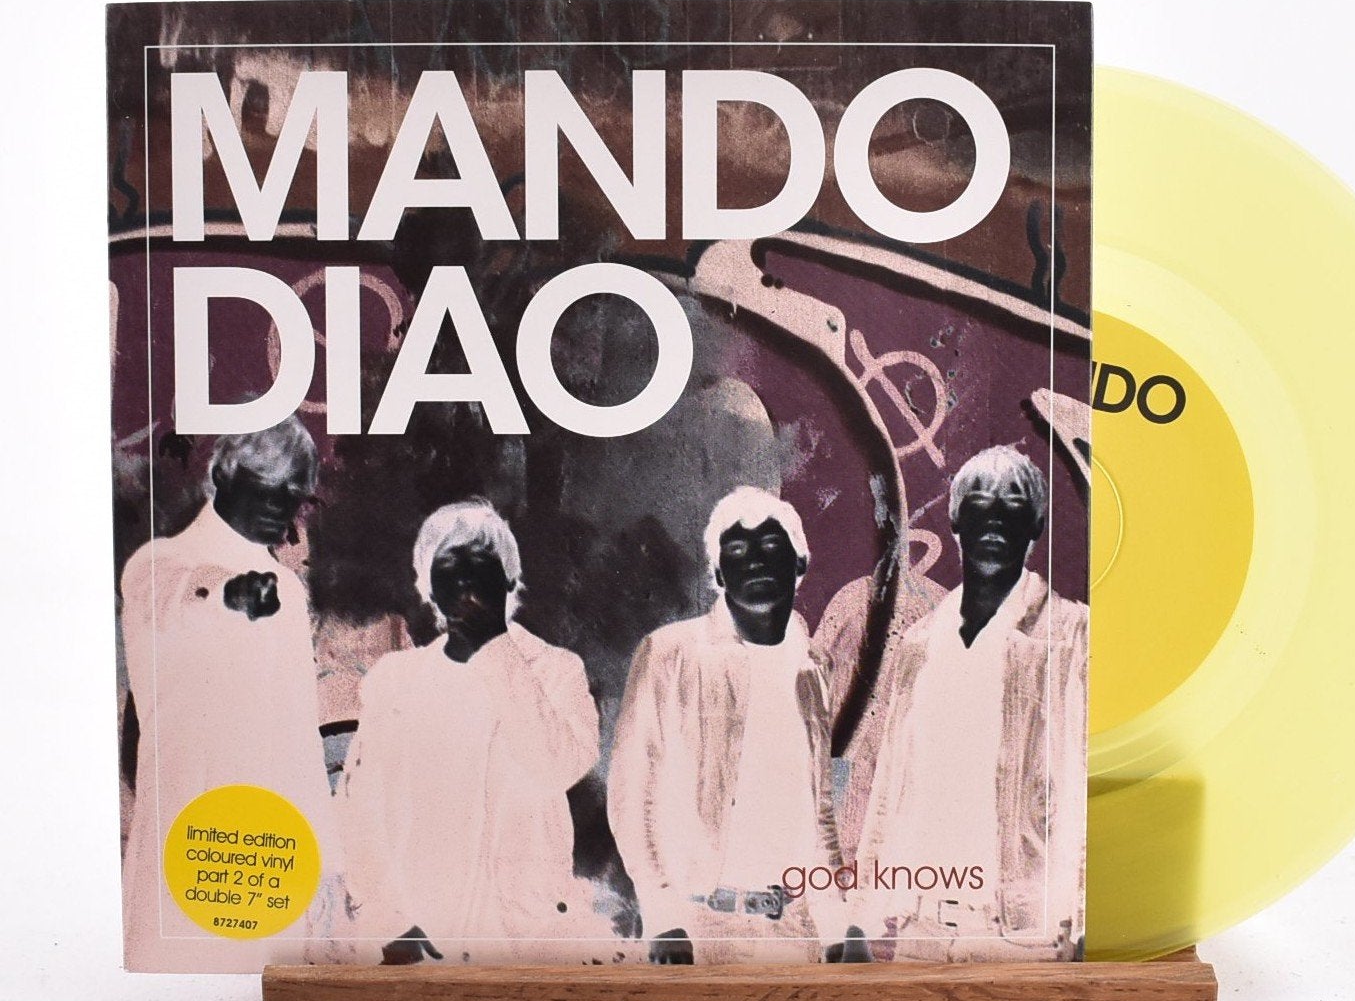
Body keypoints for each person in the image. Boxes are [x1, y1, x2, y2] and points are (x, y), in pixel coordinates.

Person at [339, 500, 609, 964]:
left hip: (520, 927)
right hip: (415, 927)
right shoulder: (396, 679)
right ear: (427, 585)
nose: (464, 578)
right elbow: (360, 807)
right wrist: (386, 918)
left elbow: (558, 766)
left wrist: (495, 649)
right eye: (448, 563)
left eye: (481, 561)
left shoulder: (556, 670)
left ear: (509, 578)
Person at [608, 487, 866, 966]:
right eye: (738, 548)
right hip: (701, 927)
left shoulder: (813, 667)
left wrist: (836, 922)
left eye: (770, 545)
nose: (756, 560)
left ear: (799, 563)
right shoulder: (670, 653)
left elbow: (819, 810)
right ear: (719, 573)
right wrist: (663, 917)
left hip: (794, 929)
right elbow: (632, 793)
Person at [118, 416, 341, 970]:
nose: (280, 504)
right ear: (223, 475)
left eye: (293, 493)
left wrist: (325, 859)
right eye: (267, 484)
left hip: (274, 849)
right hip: (193, 839)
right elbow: (177, 600)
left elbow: (299, 738)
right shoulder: (159, 565)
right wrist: (226, 596)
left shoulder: (287, 588)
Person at [854, 445, 1087, 961]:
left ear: (1036, 524)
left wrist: (1084, 915)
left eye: (1014, 503)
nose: (995, 517)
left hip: (1020, 931)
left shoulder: (1072, 633)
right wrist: (866, 911)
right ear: (957, 521)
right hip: (919, 925)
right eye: (979, 502)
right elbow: (890, 782)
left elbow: (1087, 784)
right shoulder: (919, 642)